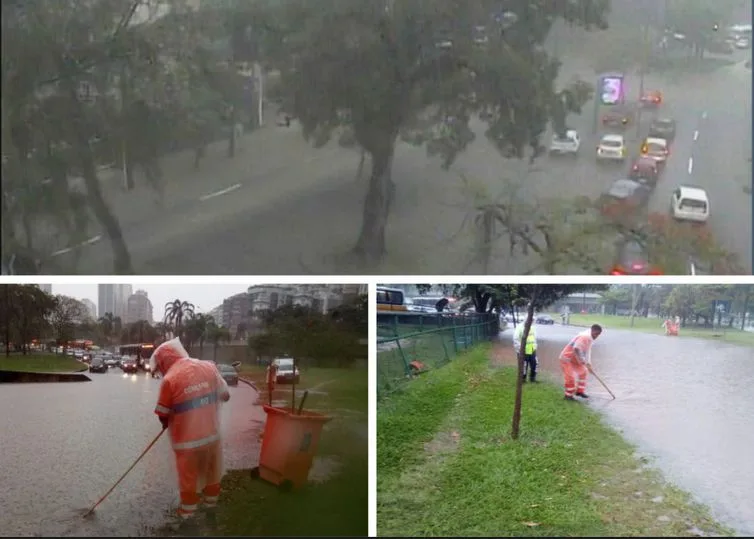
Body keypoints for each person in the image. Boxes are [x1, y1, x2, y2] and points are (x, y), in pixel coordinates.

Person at [151, 337, 231, 523]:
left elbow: (162, 413)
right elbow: (225, 395)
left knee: (189, 478)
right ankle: (211, 506)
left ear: (164, 362)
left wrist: (166, 422)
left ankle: (188, 516)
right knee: (212, 472)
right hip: (212, 437)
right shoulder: (208, 367)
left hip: (187, 444)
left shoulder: (170, 379)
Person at [559, 324, 602, 401]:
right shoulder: (585, 337)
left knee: (584, 372)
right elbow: (577, 348)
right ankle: (568, 396)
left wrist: (588, 363)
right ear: (592, 331)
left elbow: (588, 351)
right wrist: (582, 360)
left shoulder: (590, 339)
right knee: (570, 377)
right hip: (567, 358)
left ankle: (579, 391)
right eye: (596, 334)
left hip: (575, 359)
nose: (597, 336)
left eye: (598, 335)